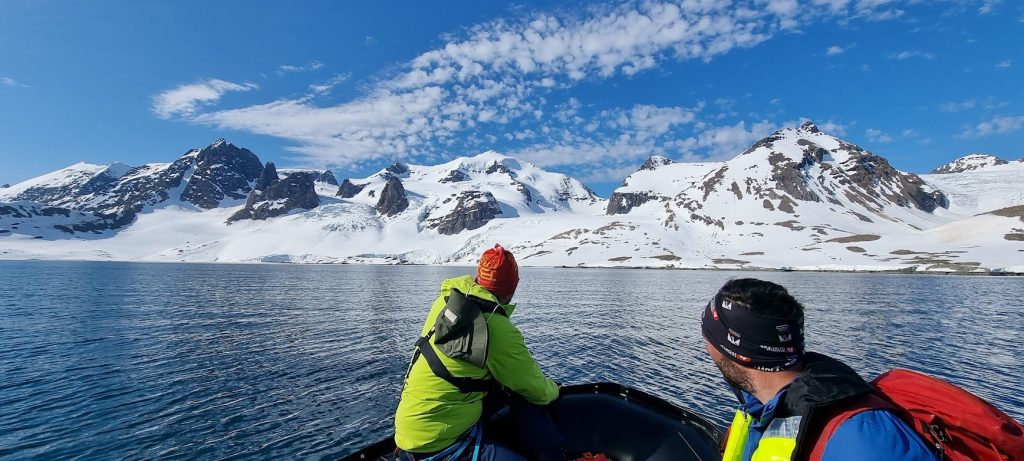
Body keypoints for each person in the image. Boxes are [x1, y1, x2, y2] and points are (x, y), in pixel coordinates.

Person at [701, 278, 937, 461]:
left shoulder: (862, 435)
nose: (705, 347)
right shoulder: (757, 407)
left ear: (734, 350)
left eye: (710, 337)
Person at [394, 244, 562, 461]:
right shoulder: (498, 328)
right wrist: (555, 390)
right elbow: (535, 389)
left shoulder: (444, 304)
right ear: (513, 288)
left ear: (478, 278)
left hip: (407, 432)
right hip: (441, 444)